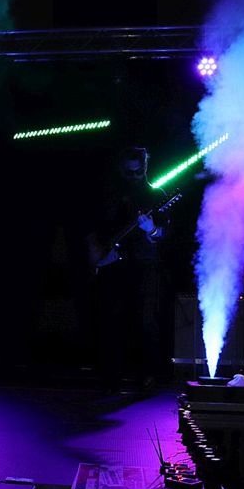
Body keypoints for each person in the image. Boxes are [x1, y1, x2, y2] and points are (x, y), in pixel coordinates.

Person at [87, 147, 169, 393]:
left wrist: (150, 229)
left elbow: (163, 234)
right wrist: (98, 257)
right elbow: (93, 231)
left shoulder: (156, 196)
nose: (133, 177)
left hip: (144, 265)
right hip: (113, 266)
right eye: (128, 173)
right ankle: (111, 378)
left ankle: (147, 376)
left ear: (145, 169)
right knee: (111, 322)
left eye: (137, 172)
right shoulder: (110, 196)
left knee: (145, 322)